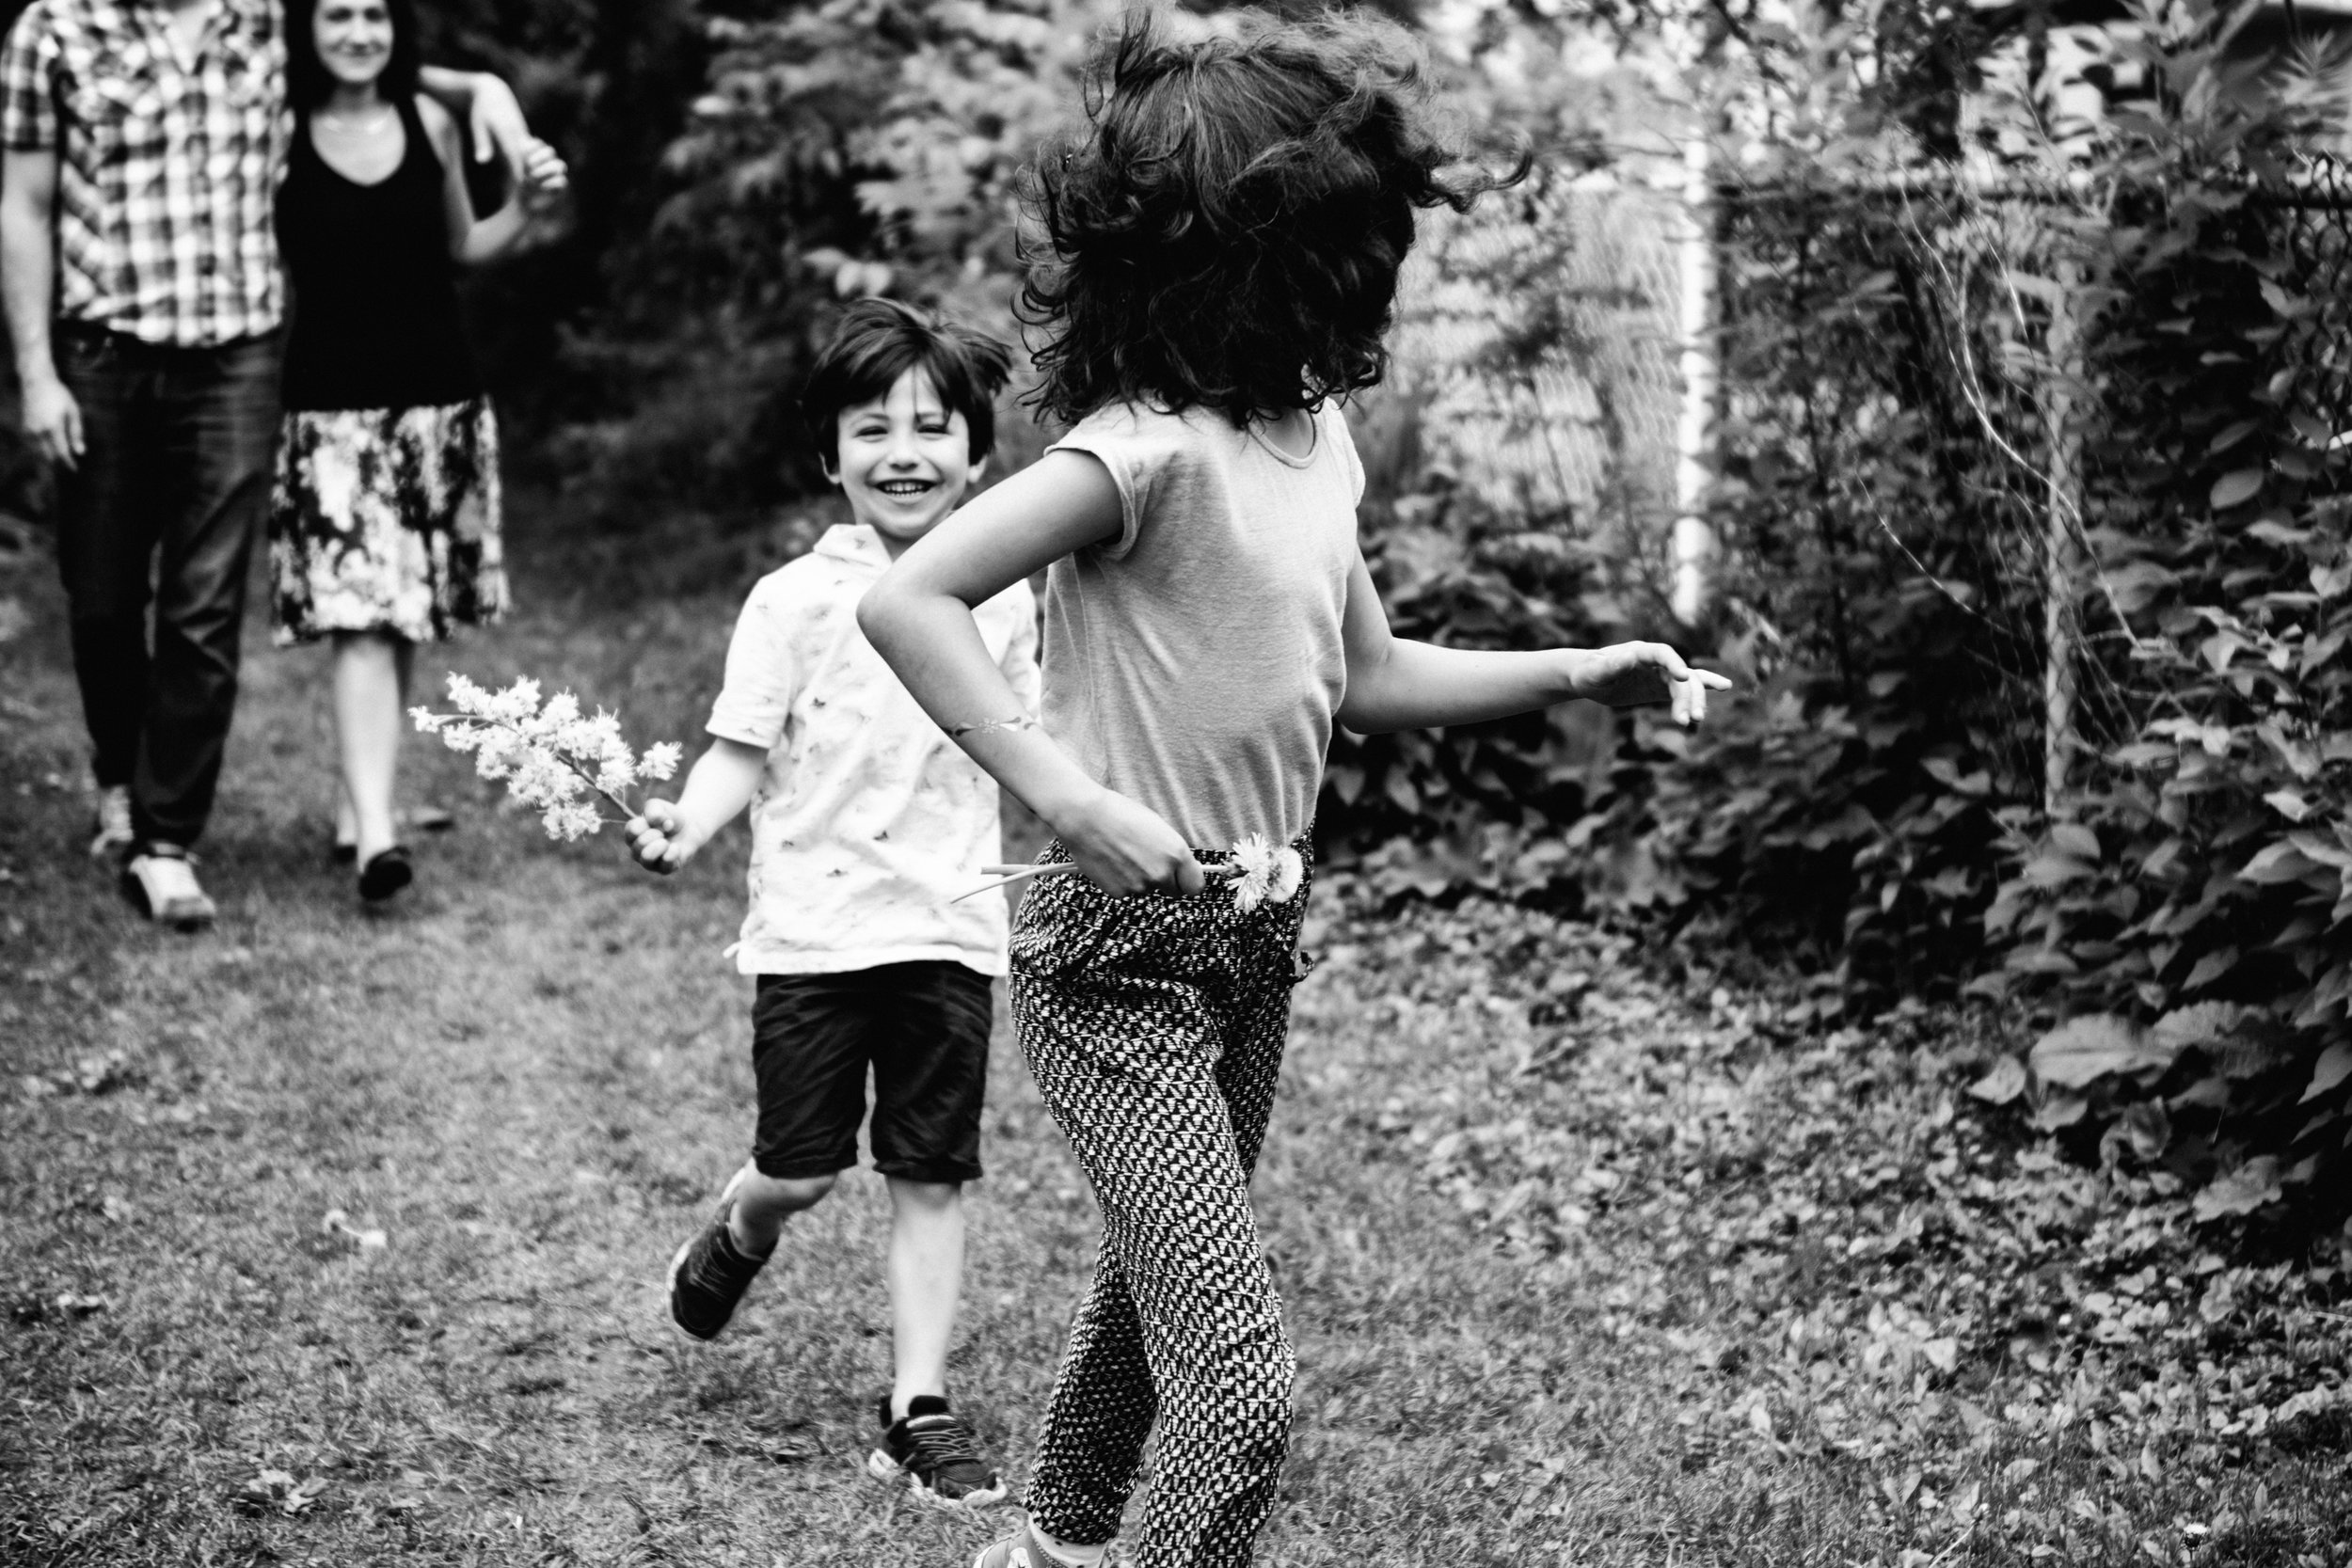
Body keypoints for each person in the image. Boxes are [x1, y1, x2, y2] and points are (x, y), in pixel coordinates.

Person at [854, 15, 1736, 1568]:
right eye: (1350, 258)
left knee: (1154, 1293)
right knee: (1242, 1382)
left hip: (1252, 938)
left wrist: (1581, 665)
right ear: (1247, 263)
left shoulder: (1313, 441)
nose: (1374, 289)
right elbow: (909, 601)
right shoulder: (1136, 454)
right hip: (1110, 951)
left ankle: (1052, 1544)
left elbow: (1370, 677)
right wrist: (1067, 793)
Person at [0, 0, 553, 929]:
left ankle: (169, 836)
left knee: (212, 604)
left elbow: (384, 60)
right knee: (100, 599)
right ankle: (121, 779)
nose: (350, 27)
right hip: (102, 352)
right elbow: (24, 200)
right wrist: (35, 371)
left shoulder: (254, 18)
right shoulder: (54, 29)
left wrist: (486, 87)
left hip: (238, 357)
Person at [623, 299, 1039, 1511]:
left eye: (931, 427)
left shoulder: (1005, 597)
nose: (902, 451)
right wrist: (686, 822)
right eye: (873, 428)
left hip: (953, 928)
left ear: (976, 454)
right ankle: (739, 1228)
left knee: (931, 1172)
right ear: (830, 454)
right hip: (814, 931)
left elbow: (1034, 745)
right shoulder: (790, 601)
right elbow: (737, 752)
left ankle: (917, 1408)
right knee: (798, 1168)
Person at [267, 0, 564, 904]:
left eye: (375, 15)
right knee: (362, 617)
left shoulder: (428, 120)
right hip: (329, 415)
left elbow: (467, 246)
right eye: (338, 15)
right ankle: (376, 843)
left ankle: (367, 805)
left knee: (400, 618)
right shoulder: (277, 132)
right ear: (306, 30)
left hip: (438, 407)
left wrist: (529, 206)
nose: (359, 32)